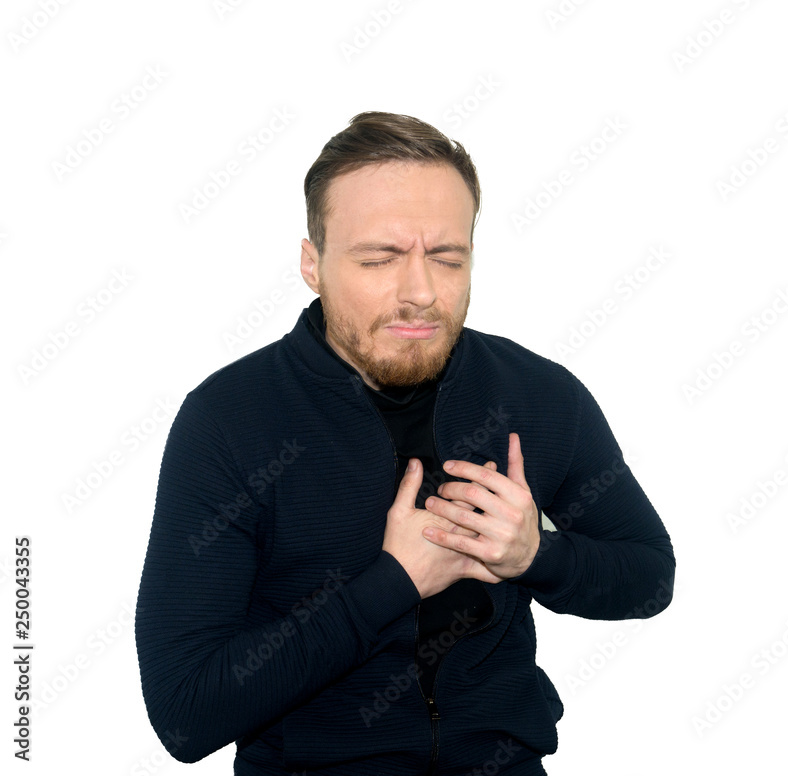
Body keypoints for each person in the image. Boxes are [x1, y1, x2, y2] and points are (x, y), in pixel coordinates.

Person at [135, 111, 675, 776]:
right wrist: (393, 583)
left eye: (447, 258)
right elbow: (185, 715)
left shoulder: (539, 395)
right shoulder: (228, 421)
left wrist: (538, 554)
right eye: (378, 259)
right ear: (312, 263)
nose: (420, 293)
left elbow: (650, 578)